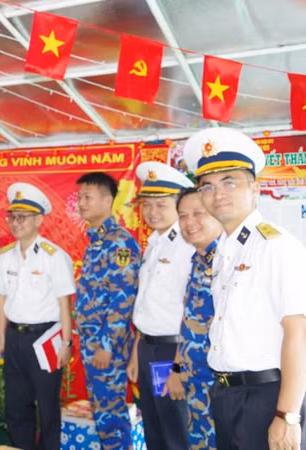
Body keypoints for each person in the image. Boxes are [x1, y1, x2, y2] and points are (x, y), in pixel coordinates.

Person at [184, 127, 306, 450]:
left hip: (267, 398)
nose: (218, 193)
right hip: (228, 394)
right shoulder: (226, 251)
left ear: (255, 188)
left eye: (230, 182)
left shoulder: (275, 246)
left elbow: (300, 332)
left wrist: (288, 415)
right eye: (207, 186)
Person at [0, 182, 75, 450]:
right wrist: (1, 339)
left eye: (22, 218)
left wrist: (67, 344)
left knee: (48, 409)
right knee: (16, 407)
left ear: (39, 220)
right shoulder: (5, 257)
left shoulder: (54, 256)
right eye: (12, 217)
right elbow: (1, 299)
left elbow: (64, 303)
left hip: (45, 339)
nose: (16, 223)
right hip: (14, 339)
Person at [127, 161, 195, 449]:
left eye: (162, 205)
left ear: (178, 205)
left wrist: (178, 367)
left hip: (172, 351)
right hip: (148, 349)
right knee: (153, 425)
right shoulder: (154, 243)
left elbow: (191, 312)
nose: (152, 212)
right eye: (147, 204)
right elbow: (148, 306)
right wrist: (135, 354)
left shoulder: (187, 246)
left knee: (174, 429)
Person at [75, 172, 141, 449]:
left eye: (87, 197)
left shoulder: (119, 242)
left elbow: (122, 298)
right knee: (102, 413)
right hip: (93, 343)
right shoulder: (96, 241)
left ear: (107, 200)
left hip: (106, 347)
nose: (80, 203)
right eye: (79, 197)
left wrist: (106, 345)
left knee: (111, 417)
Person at [163, 187, 222, 449]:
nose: (189, 223)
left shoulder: (228, 260)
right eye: (183, 215)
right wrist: (177, 368)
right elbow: (188, 323)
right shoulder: (197, 260)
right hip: (193, 380)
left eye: (198, 213)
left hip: (220, 385)